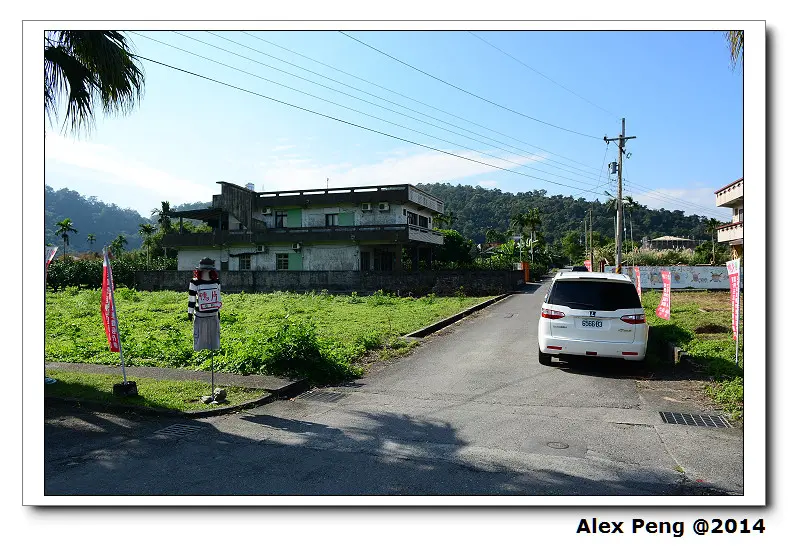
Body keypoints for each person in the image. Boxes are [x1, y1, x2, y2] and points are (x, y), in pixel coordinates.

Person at [188, 257, 222, 352]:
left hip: (213, 315)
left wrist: (218, 311)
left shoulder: (216, 281)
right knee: (200, 338)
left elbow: (217, 297)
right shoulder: (194, 282)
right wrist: (190, 312)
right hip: (200, 316)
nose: (206, 270)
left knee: (213, 338)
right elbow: (192, 299)